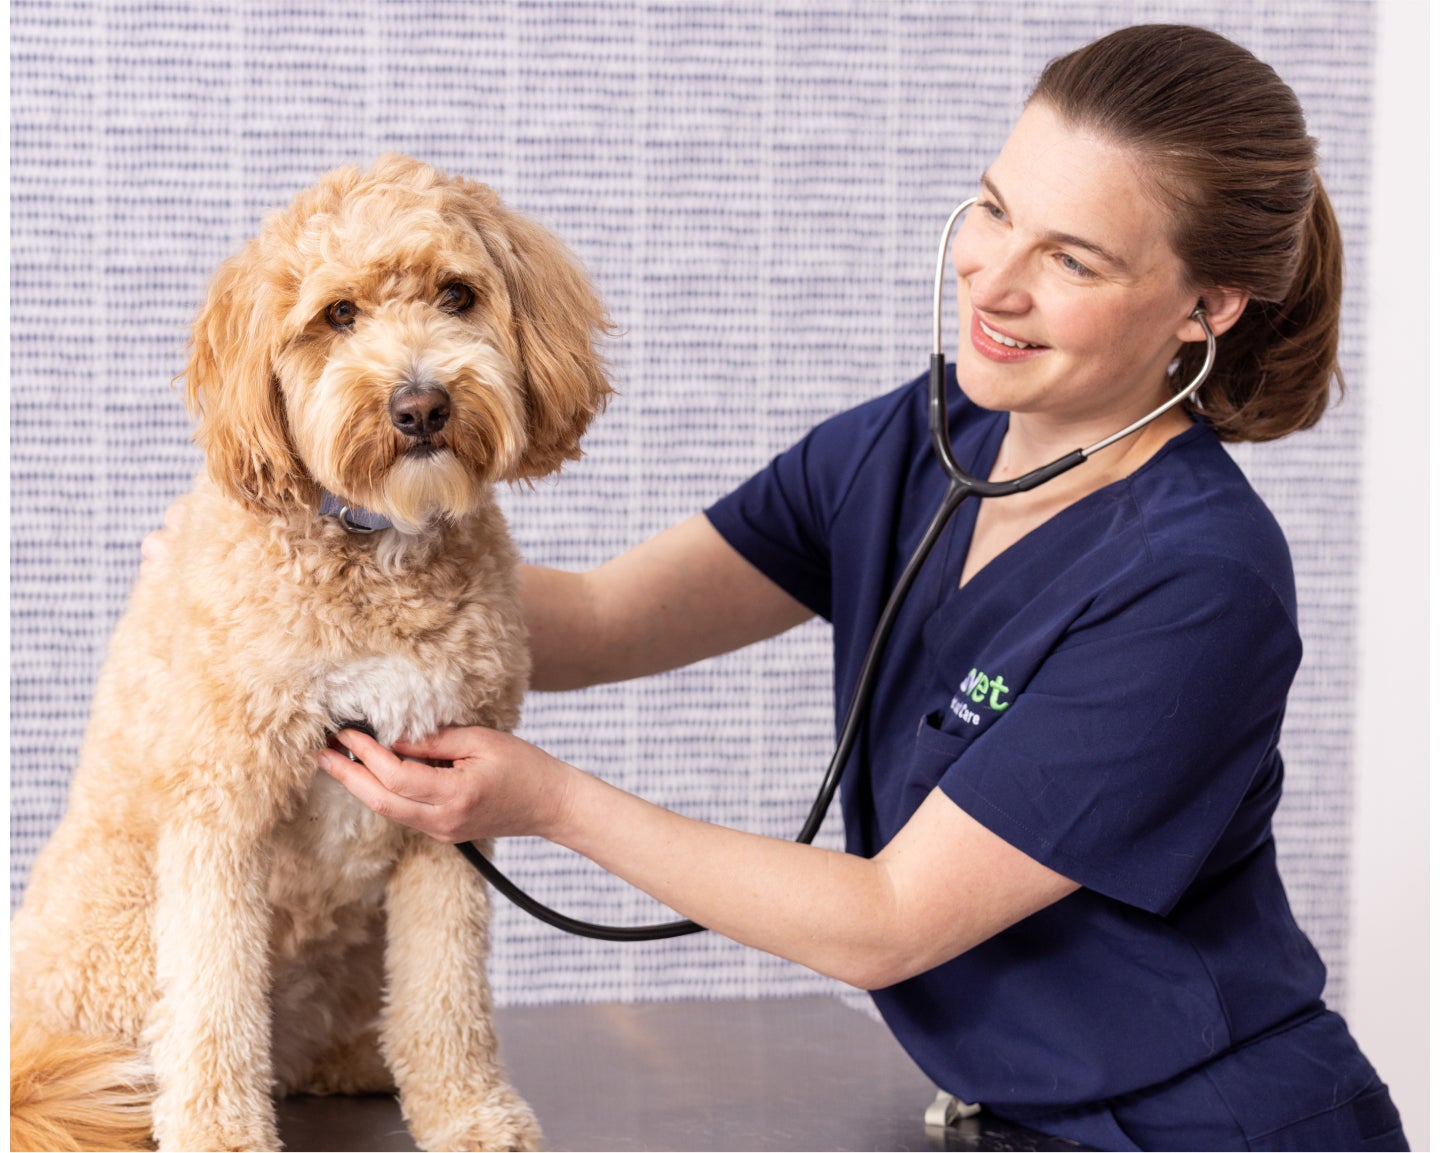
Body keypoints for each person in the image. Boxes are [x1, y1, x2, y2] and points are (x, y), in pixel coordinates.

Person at [151, 23, 1403, 1152]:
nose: (993, 279)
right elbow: (597, 620)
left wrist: (546, 800)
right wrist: (280, 580)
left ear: (1207, 305)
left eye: (1070, 258)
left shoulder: (1200, 583)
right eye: (991, 209)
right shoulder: (914, 441)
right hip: (1007, 1112)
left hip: (1215, 1125)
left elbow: (889, 921)